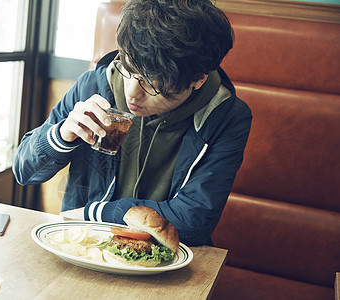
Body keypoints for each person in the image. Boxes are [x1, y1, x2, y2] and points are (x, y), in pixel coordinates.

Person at [13, 0, 252, 246]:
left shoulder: (227, 117)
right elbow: (24, 171)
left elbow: (193, 223)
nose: (132, 93)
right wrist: (61, 136)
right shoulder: (94, 86)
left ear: (197, 80)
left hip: (164, 263)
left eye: (151, 83)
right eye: (128, 67)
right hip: (84, 248)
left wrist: (95, 214)